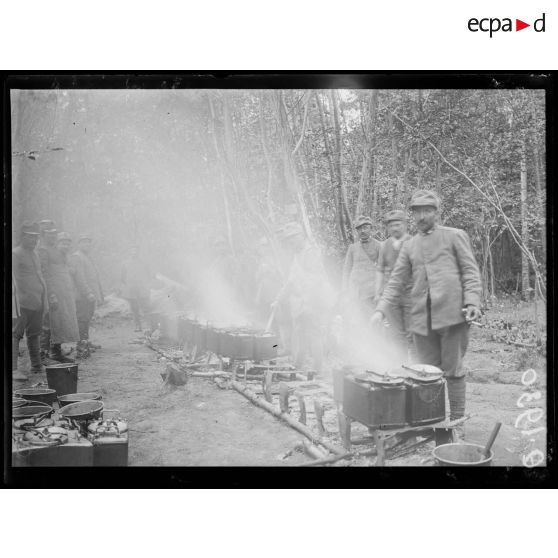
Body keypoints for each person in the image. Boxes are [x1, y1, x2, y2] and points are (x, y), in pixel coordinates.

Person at [370, 190, 482, 424]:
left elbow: (470, 272)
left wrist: (472, 301)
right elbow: (396, 281)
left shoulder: (455, 236)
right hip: (421, 319)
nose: (421, 216)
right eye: (416, 211)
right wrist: (380, 310)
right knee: (426, 372)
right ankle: (432, 422)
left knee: (453, 370)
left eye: (426, 210)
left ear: (436, 212)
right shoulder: (410, 246)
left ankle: (457, 423)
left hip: (452, 316)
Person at [271, 222, 335, 375]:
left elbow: (315, 280)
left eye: (293, 239)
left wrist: (308, 303)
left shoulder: (311, 252)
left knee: (314, 335)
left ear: (301, 236)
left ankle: (317, 370)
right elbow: (290, 281)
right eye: (289, 240)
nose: (290, 242)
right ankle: (297, 366)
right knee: (299, 335)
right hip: (300, 304)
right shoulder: (297, 255)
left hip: (313, 302)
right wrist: (278, 299)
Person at [375, 209, 414, 359]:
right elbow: (379, 270)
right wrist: (378, 293)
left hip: (411, 294)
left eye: (398, 224)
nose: (394, 228)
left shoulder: (412, 242)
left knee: (413, 333)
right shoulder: (385, 245)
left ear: (405, 225)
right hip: (392, 297)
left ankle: (417, 369)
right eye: (391, 226)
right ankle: (401, 367)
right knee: (396, 335)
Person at [12, 222, 48, 380]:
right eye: (30, 237)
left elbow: (40, 277)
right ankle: (13, 370)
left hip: (37, 301)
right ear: (23, 237)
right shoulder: (15, 253)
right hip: (21, 302)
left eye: (35, 237)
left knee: (34, 334)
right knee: (15, 334)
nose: (33, 240)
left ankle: (36, 365)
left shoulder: (35, 254)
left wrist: (43, 299)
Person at [39, 232, 80, 363]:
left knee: (60, 323)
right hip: (53, 293)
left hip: (64, 294)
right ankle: (42, 355)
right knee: (49, 323)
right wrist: (51, 294)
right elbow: (46, 274)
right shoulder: (45, 252)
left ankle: (56, 352)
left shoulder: (64, 256)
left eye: (68, 243)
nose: (66, 245)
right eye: (63, 242)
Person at [69, 234, 104, 357]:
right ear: (78, 244)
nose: (87, 245)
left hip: (89, 294)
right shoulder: (77, 257)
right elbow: (80, 278)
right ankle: (81, 346)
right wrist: (88, 292)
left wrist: (97, 294)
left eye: (88, 243)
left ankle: (86, 342)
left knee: (87, 318)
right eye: (84, 242)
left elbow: (94, 277)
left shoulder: (87, 257)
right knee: (82, 319)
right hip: (82, 295)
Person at [341, 215, 381, 321]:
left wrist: (380, 291)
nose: (362, 231)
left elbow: (383, 269)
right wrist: (345, 289)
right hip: (355, 292)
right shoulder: (352, 248)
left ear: (371, 229)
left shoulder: (378, 246)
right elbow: (346, 269)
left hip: (371, 293)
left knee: (373, 321)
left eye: (365, 228)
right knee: (358, 322)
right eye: (359, 229)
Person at [37, 220, 57, 361]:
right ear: (42, 233)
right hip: (44, 289)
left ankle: (50, 350)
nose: (51, 235)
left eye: (53, 233)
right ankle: (43, 353)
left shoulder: (51, 247)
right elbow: (44, 272)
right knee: (46, 323)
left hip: (52, 287)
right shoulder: (41, 249)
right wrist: (51, 293)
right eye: (48, 233)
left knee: (51, 321)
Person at [120, 246, 152, 331]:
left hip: (142, 289)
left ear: (139, 252)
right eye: (132, 250)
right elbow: (122, 278)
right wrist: (129, 285)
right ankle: (138, 326)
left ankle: (150, 326)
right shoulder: (125, 263)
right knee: (134, 309)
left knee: (146, 308)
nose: (134, 252)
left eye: (136, 251)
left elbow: (149, 275)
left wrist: (144, 285)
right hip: (131, 289)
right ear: (129, 252)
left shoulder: (144, 262)